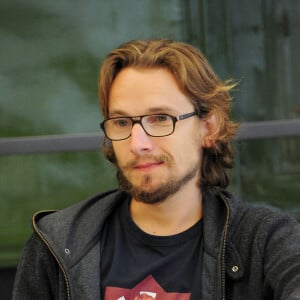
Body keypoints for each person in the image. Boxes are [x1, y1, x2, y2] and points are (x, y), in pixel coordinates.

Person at [13, 39, 300, 300]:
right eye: (122, 122)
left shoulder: (265, 241)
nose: (138, 144)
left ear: (209, 127)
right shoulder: (56, 243)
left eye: (161, 118)